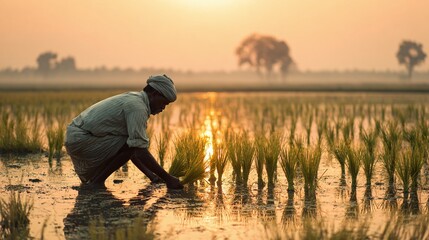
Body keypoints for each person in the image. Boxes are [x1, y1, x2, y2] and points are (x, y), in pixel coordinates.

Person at [65, 74, 183, 189]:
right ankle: (97, 182)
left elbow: (132, 151)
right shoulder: (138, 107)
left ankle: (95, 180)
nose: (163, 108)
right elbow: (138, 150)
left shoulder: (136, 99)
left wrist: (153, 177)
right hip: (81, 138)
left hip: (77, 136)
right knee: (132, 144)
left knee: (130, 142)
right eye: (163, 103)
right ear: (154, 94)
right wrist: (168, 179)